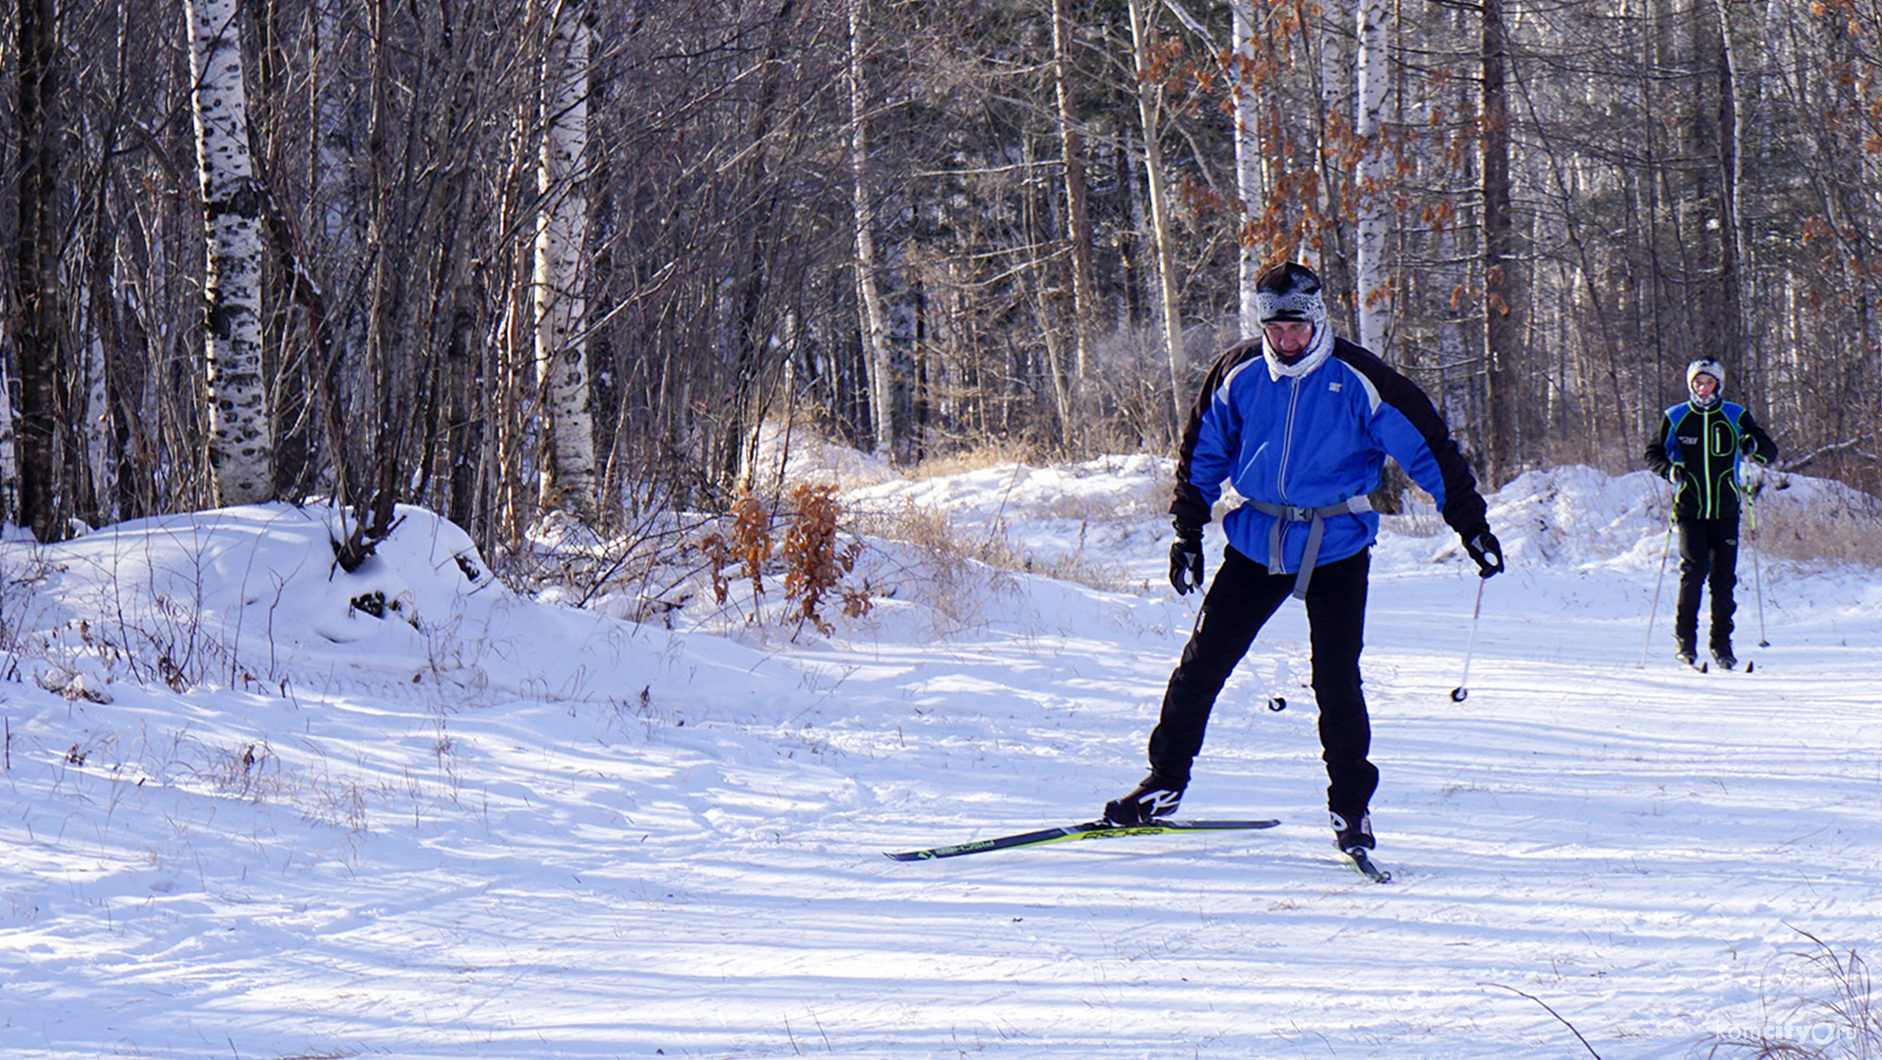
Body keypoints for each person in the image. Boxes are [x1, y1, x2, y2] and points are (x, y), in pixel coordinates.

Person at [1103, 262, 1504, 863]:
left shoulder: (1360, 377)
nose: (1285, 340)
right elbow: (1202, 451)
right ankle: (1164, 783)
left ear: (1318, 319)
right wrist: (1187, 532)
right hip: (1255, 539)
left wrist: (1470, 524)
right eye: (1274, 328)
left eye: (1296, 327)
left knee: (1336, 681)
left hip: (1336, 542)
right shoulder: (1238, 372)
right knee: (1201, 666)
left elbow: (1430, 449)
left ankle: (1351, 807)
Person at [1643, 358, 1777, 670]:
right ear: (1691, 384)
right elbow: (1653, 453)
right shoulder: (1676, 417)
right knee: (1694, 571)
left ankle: (1722, 645)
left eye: (1709, 382)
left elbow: (1768, 451)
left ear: (1718, 384)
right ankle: (1685, 643)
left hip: (1726, 509)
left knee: (1723, 579)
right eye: (1698, 382)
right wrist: (1669, 470)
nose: (1704, 388)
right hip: (1690, 509)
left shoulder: (1734, 415)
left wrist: (1751, 444)